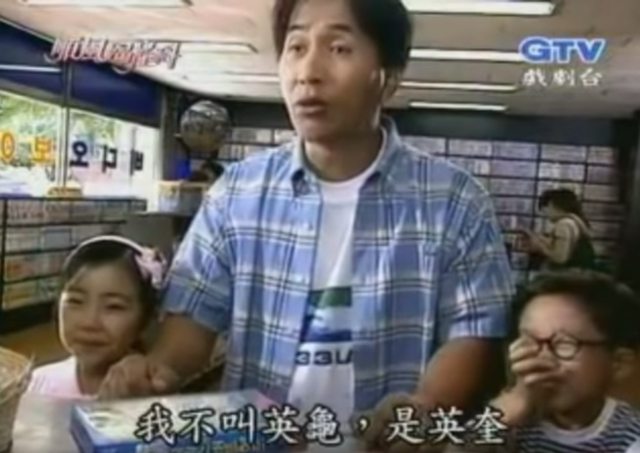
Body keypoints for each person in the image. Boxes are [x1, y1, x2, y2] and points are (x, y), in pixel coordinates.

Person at [99, 0, 514, 450]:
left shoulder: (455, 201)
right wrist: (156, 371)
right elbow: (193, 316)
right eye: (296, 47)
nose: (308, 72)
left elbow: (474, 332)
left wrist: (426, 404)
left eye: (339, 48)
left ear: (389, 77)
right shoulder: (236, 194)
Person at [449, 270, 640, 452]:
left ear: (619, 363)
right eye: (529, 342)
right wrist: (506, 411)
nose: (542, 359)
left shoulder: (629, 435)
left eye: (564, 344)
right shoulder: (514, 421)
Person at [27, 236, 166, 399]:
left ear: (144, 318)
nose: (89, 322)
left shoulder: (151, 392)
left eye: (113, 306)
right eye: (76, 301)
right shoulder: (38, 383)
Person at [520, 188, 596, 271]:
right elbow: (563, 245)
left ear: (552, 204)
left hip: (566, 274)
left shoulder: (564, 224)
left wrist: (540, 247)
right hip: (579, 272)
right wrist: (539, 239)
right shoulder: (575, 221)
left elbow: (560, 258)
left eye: (545, 207)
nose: (545, 214)